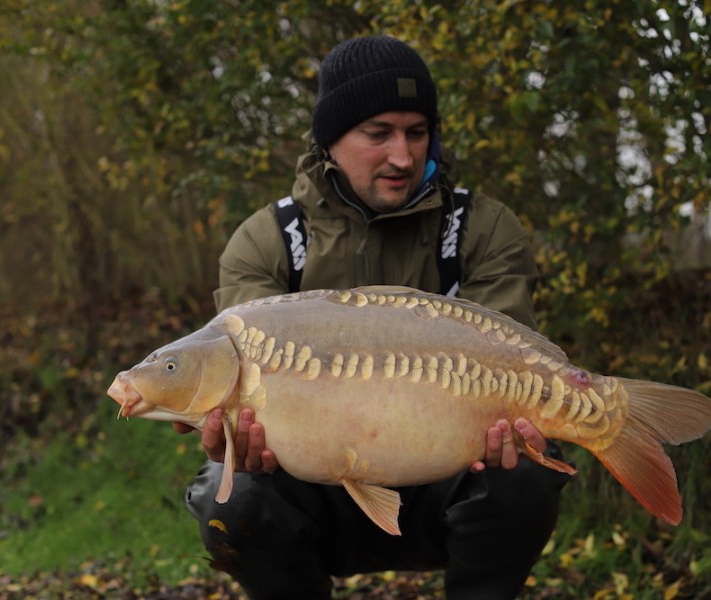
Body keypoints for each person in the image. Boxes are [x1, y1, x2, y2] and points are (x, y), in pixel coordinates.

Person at [175, 35, 570, 599]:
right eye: (378, 133)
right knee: (232, 493)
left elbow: (510, 369)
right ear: (330, 139)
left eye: (416, 132)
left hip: (451, 475)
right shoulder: (267, 243)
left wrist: (517, 422)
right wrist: (235, 440)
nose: (403, 156)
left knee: (525, 474)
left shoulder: (481, 229)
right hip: (314, 490)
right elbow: (237, 395)